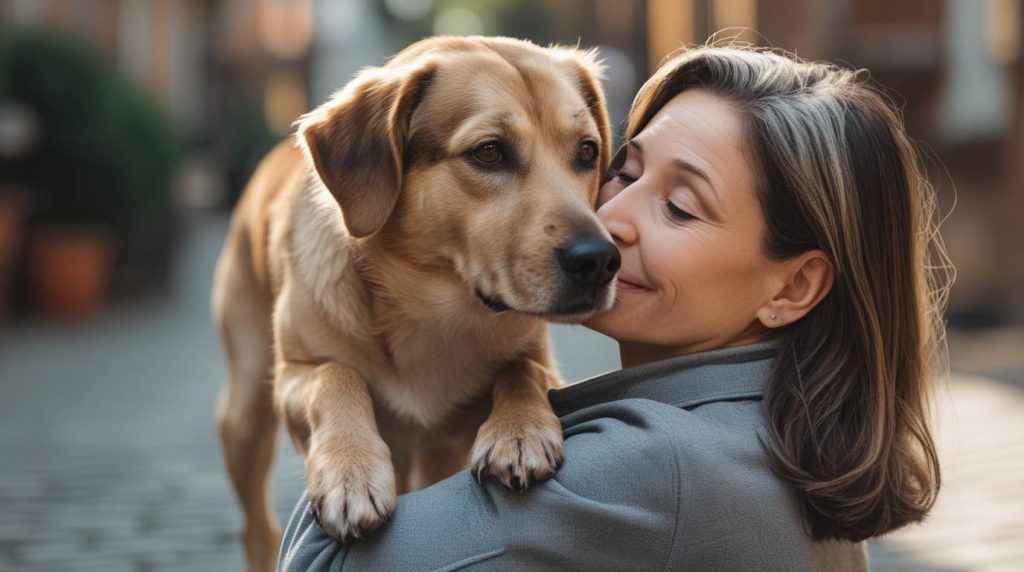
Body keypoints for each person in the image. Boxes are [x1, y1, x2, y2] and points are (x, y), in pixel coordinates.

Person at [277, 44, 952, 571]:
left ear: (792, 287)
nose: (605, 222)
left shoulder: (657, 469)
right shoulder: (771, 437)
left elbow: (324, 563)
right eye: (621, 171)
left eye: (681, 206)